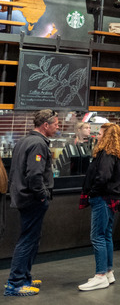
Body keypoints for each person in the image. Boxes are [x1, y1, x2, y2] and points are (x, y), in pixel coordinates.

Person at [4, 109, 59, 297]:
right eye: (56, 124)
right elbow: (34, 175)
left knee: (32, 240)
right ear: (46, 125)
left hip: (23, 197)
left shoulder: (25, 140)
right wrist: (43, 196)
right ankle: (15, 284)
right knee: (27, 240)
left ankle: (24, 277)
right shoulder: (38, 143)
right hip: (32, 199)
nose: (58, 127)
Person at [78, 123, 120, 291]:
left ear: (107, 137)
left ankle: (100, 275)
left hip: (102, 198)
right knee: (106, 235)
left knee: (98, 236)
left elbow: (103, 177)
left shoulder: (106, 154)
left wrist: (93, 193)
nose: (97, 136)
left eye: (100, 133)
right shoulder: (117, 154)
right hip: (111, 198)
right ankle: (108, 272)